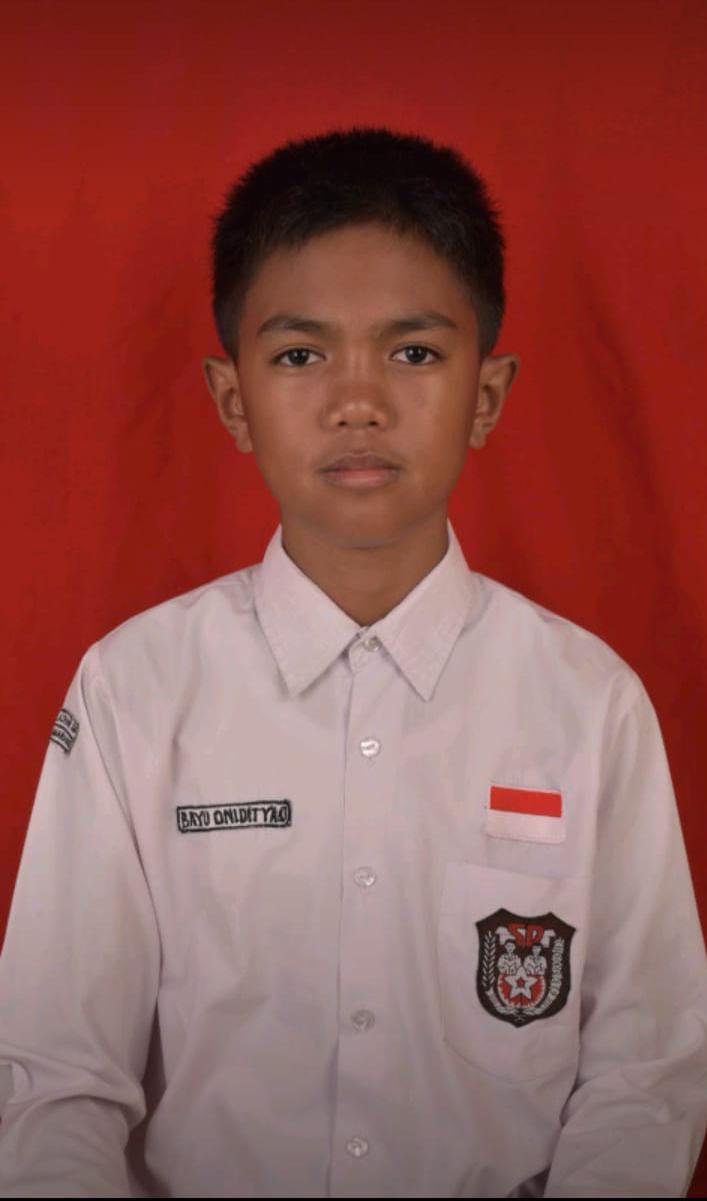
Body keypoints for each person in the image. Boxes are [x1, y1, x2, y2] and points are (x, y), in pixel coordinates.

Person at [0, 124, 705, 1198]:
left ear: (486, 394)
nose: (358, 401)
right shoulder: (132, 691)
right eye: (300, 354)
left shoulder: (588, 703)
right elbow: (54, 1074)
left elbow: (644, 1075)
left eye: (413, 352)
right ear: (232, 398)